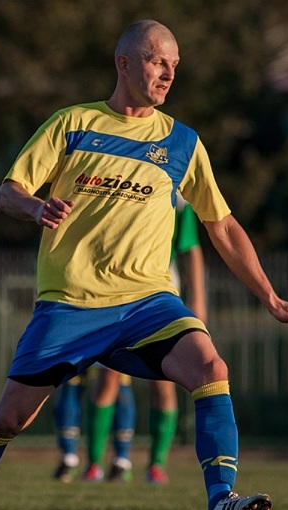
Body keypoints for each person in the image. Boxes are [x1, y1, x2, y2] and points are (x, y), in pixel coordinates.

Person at [0, 20, 288, 510]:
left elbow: (223, 226)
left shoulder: (183, 143)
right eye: (157, 61)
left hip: (147, 302)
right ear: (124, 63)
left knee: (212, 368)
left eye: (174, 65)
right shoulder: (73, 124)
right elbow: (7, 192)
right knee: (7, 420)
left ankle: (220, 504)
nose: (168, 74)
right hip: (69, 304)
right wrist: (34, 207)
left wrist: (271, 297)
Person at [54, 199, 206, 484]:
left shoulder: (176, 198)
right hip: (117, 288)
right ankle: (95, 463)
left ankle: (156, 464)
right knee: (109, 375)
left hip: (161, 291)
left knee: (163, 380)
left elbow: (190, 247)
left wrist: (198, 298)